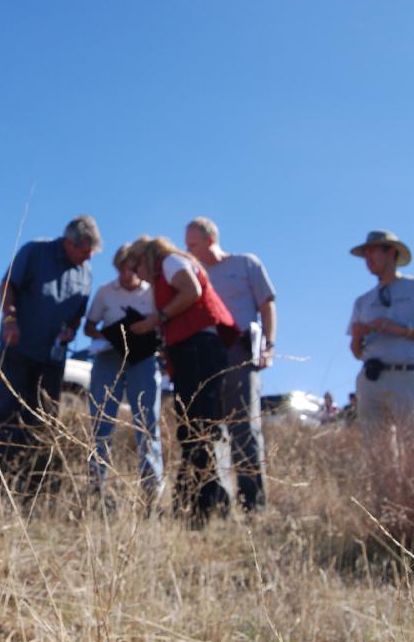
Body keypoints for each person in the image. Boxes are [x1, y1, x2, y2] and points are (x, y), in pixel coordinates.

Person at [0, 216, 101, 497]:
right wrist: (10, 321)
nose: (89, 256)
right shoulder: (35, 252)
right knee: (7, 414)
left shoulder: (86, 272)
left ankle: (36, 487)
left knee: (45, 418)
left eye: (91, 252)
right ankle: (3, 484)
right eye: (85, 250)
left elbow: (77, 315)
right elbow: (7, 287)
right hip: (18, 349)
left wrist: (71, 330)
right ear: (68, 242)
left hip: (52, 360)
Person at [131, 236, 239, 524]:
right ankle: (208, 503)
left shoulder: (171, 262)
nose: (135, 272)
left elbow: (191, 290)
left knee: (197, 427)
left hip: (199, 349)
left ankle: (195, 509)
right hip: (191, 351)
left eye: (136, 264)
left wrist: (158, 318)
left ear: (146, 257)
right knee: (197, 428)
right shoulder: (164, 275)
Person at [185, 217, 276, 512]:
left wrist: (269, 346)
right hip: (206, 358)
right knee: (212, 430)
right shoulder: (194, 274)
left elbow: (267, 305)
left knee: (244, 427)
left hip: (240, 352)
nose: (189, 250)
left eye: (193, 244)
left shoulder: (246, 264)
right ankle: (220, 503)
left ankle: (253, 503)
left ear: (210, 239)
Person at [83, 245, 163, 511]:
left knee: (147, 421)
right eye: (122, 268)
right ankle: (95, 489)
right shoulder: (106, 292)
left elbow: (162, 322)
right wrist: (110, 336)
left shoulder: (153, 292)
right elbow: (89, 326)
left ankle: (152, 493)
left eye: (132, 267)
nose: (127, 274)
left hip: (143, 358)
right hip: (109, 358)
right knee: (102, 420)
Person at [348, 230, 414, 436]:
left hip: (407, 378)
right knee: (375, 453)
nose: (368, 258)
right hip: (370, 380)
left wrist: (399, 329)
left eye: (373, 251)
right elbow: (356, 353)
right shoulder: (362, 301)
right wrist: (357, 336)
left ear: (391, 252)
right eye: (365, 254)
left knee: (413, 448)